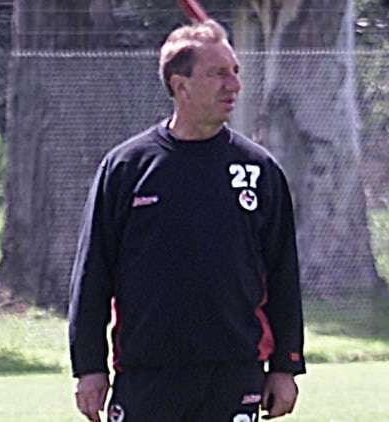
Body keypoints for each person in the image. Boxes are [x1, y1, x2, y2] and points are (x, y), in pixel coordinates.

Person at [68, 20, 305, 422]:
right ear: (181, 85)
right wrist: (89, 367)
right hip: (147, 376)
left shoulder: (259, 169)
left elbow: (283, 275)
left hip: (233, 374)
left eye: (235, 71)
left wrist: (286, 366)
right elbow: (93, 275)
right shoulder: (127, 167)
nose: (234, 85)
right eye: (218, 74)